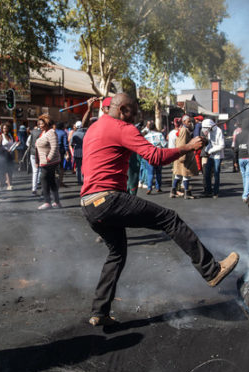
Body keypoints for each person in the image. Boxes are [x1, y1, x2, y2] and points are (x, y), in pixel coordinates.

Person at [80, 93, 239, 326]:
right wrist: (188, 147)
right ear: (123, 109)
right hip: (108, 199)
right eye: (134, 112)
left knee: (117, 253)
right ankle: (211, 270)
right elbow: (154, 157)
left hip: (87, 204)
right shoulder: (122, 128)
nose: (136, 118)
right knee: (169, 219)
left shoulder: (95, 127)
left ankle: (99, 311)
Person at [35, 114, 61, 209]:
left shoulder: (51, 132)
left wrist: (48, 159)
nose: (40, 125)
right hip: (44, 161)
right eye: (39, 124)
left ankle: (47, 202)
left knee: (44, 179)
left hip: (50, 162)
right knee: (51, 181)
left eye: (42, 123)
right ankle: (57, 202)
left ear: (47, 123)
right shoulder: (43, 133)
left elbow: (54, 147)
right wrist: (38, 160)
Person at [171, 115, 199, 199]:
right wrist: (182, 157)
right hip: (184, 157)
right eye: (188, 121)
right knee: (186, 175)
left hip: (181, 156)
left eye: (190, 121)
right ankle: (187, 193)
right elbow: (181, 144)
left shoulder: (183, 129)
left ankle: (173, 192)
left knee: (178, 175)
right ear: (184, 122)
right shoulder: (184, 130)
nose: (190, 123)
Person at [201, 119, 224, 198]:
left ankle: (216, 192)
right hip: (211, 156)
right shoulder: (210, 132)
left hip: (218, 156)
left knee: (216, 174)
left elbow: (222, 145)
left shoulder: (219, 131)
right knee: (207, 173)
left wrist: (211, 150)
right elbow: (210, 143)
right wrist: (207, 149)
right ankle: (208, 190)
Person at [143, 121, 167, 194]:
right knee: (158, 172)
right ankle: (158, 187)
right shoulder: (160, 134)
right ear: (155, 127)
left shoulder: (146, 136)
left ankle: (149, 187)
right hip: (158, 154)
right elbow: (164, 144)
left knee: (150, 173)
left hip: (149, 155)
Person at [234, 119, 249, 202]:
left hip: (240, 158)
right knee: (248, 176)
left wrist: (235, 161)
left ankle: (246, 192)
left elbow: (235, 149)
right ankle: (245, 195)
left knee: (244, 176)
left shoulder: (238, 136)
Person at [0, 122, 15, 190]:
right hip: (3, 155)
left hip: (10, 155)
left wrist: (15, 145)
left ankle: (9, 184)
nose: (5, 129)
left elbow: (12, 144)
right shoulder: (1, 136)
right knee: (3, 170)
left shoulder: (10, 136)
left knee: (10, 170)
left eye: (6, 128)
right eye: (4, 128)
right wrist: (4, 150)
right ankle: (2, 185)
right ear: (2, 129)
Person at [70, 121, 86, 185]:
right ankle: (84, 179)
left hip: (77, 151)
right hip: (84, 151)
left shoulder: (74, 134)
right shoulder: (85, 133)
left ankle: (79, 180)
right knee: (84, 166)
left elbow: (71, 143)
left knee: (78, 167)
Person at [55, 122, 69, 187]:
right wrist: (67, 152)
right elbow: (65, 144)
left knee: (54, 166)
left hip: (53, 151)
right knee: (61, 167)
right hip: (60, 151)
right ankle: (60, 181)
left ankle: (55, 181)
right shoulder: (63, 133)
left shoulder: (54, 132)